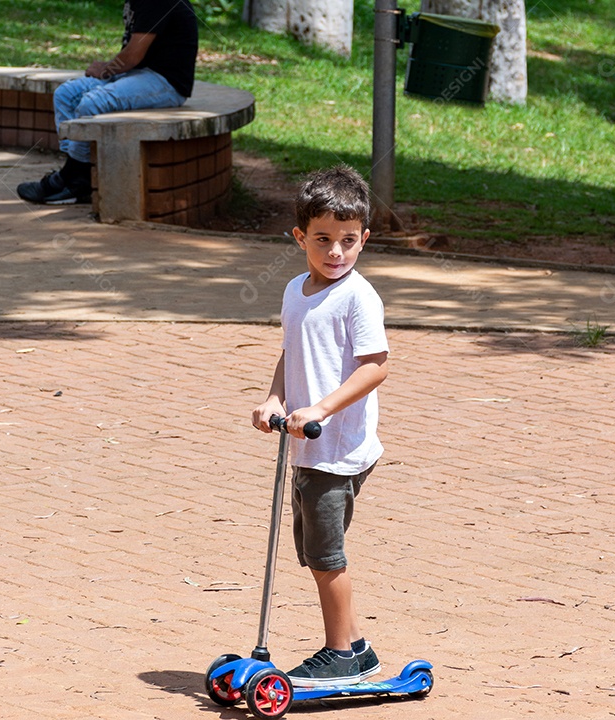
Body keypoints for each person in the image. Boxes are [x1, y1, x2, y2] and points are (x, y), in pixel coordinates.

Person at [251, 165, 390, 688]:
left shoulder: (358, 297)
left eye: (348, 241)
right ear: (300, 237)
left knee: (327, 557)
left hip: (338, 449)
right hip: (307, 447)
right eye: (323, 239)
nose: (336, 252)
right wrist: (275, 397)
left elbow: (376, 366)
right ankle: (358, 649)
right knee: (314, 553)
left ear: (364, 239)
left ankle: (339, 655)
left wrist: (322, 410)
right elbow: (292, 352)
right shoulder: (296, 290)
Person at [17, 0, 198, 205]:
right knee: (66, 94)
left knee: (91, 103)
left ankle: (74, 179)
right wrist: (110, 68)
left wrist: (105, 69)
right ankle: (75, 173)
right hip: (137, 73)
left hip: (165, 82)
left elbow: (133, 55)